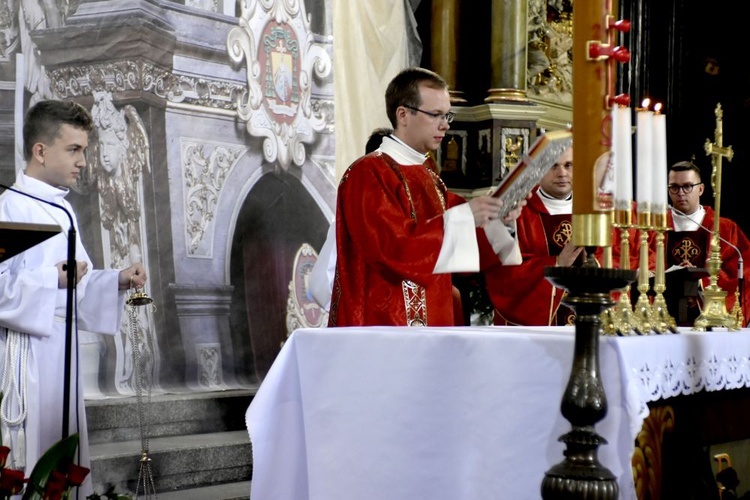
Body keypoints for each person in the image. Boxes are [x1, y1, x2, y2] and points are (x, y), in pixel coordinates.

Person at [0, 100, 147, 495]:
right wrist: (52, 280)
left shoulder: (63, 212)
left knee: (62, 456)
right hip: (23, 358)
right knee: (29, 458)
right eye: (74, 149)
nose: (83, 161)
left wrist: (114, 281)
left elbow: (77, 286)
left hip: (61, 356)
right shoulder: (8, 207)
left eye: (85, 150)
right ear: (40, 150)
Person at [328, 67, 522, 327]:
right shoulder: (368, 173)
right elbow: (390, 249)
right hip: (383, 327)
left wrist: (499, 217)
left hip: (435, 321)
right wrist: (465, 217)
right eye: (435, 115)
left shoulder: (430, 177)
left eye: (447, 115)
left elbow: (464, 251)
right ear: (403, 114)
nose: (445, 124)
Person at [484, 146, 582, 326]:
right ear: (538, 170)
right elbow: (505, 274)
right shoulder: (516, 211)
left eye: (568, 165)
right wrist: (557, 264)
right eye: (553, 166)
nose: (562, 173)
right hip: (533, 330)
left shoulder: (592, 212)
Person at [661, 160, 750, 326]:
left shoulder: (724, 229)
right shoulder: (656, 228)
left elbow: (743, 273)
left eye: (687, 186)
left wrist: (699, 277)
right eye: (674, 187)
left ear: (700, 189)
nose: (680, 193)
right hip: (665, 316)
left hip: (709, 321)